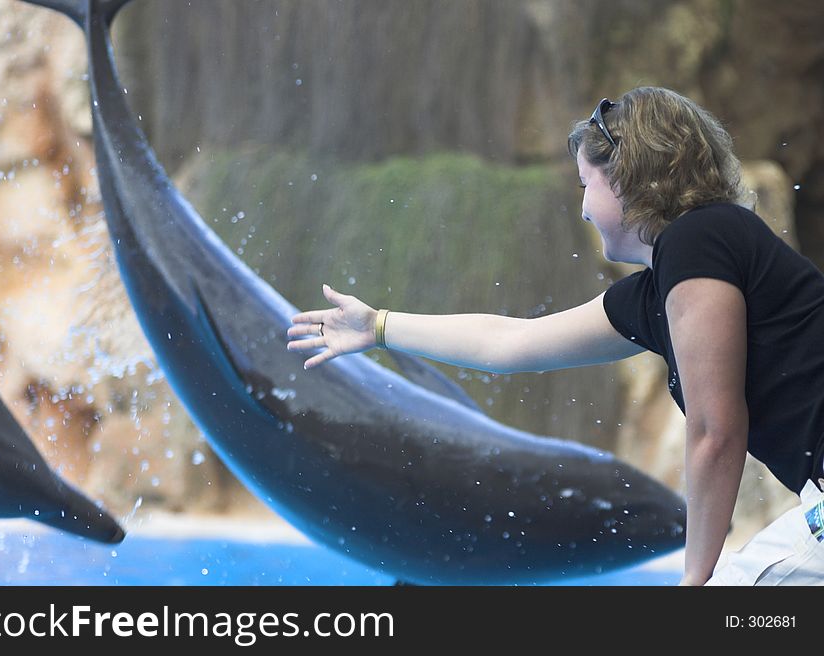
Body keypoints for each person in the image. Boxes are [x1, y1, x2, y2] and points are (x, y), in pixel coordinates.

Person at [286, 86, 824, 586]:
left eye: (586, 184)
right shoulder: (657, 289)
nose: (584, 207)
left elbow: (714, 430)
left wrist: (695, 579)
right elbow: (510, 343)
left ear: (627, 178)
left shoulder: (699, 239)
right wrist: (379, 326)